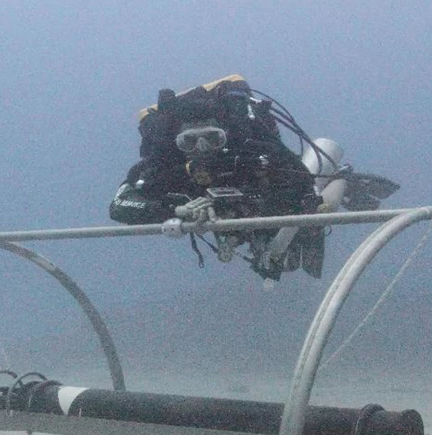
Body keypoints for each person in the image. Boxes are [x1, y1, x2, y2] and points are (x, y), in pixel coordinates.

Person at [109, 75, 399, 283]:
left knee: (313, 218)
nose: (202, 149)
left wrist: (263, 205)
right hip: (220, 215)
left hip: (264, 203)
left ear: (226, 136)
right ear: (176, 143)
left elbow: (302, 184)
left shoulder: (250, 150)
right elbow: (120, 205)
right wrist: (174, 211)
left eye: (212, 139)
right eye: (189, 142)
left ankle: (340, 179)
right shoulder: (165, 166)